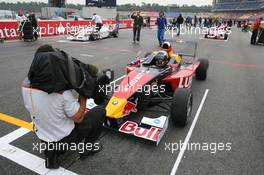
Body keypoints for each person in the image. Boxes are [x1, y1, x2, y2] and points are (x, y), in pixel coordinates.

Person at [22, 45, 106, 169]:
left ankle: (51, 156)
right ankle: (88, 148)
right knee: (99, 111)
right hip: (65, 141)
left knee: (51, 116)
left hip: (44, 138)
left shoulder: (25, 84)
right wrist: (83, 94)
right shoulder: (62, 93)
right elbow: (78, 118)